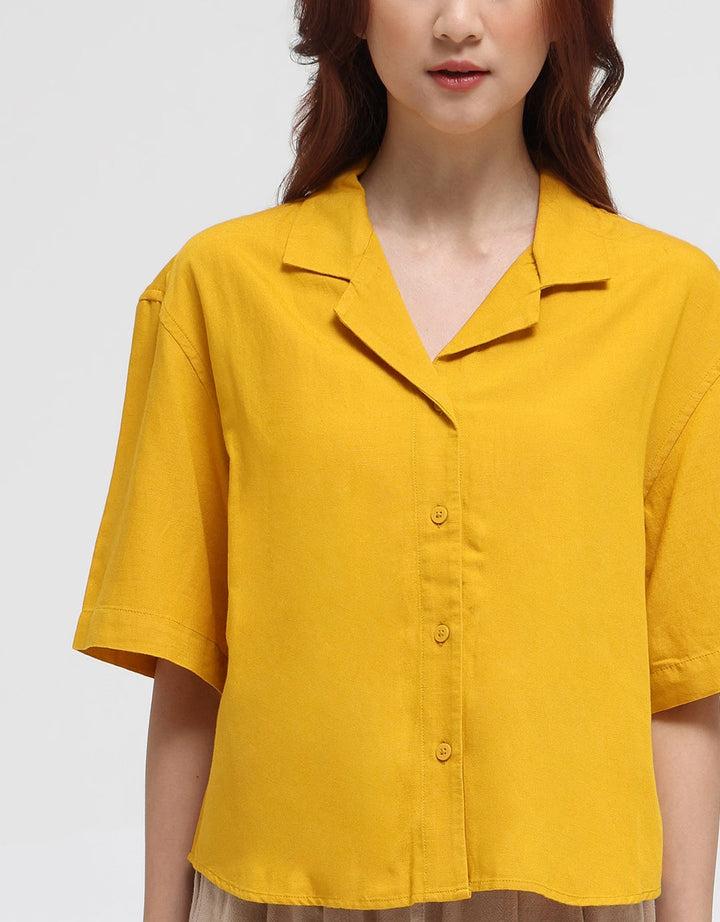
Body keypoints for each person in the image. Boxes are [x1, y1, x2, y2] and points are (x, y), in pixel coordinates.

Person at [72, 1, 720, 921]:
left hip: (568, 895)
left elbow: (685, 676)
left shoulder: (672, 303)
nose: (457, 23)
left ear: (565, 16)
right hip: (283, 890)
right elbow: (191, 665)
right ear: (352, 14)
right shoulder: (221, 291)